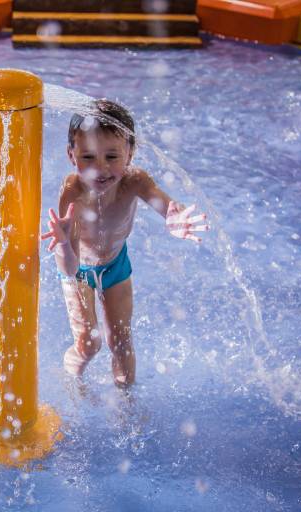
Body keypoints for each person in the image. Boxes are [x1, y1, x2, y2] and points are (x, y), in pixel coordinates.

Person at [40, 99, 209, 388]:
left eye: (112, 156)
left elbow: (165, 205)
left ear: (130, 153)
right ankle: (73, 382)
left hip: (115, 264)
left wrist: (173, 217)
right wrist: (64, 245)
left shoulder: (135, 180)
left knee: (120, 340)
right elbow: (68, 270)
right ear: (72, 155)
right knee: (88, 344)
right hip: (78, 268)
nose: (100, 169)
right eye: (88, 157)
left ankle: (126, 404)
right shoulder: (73, 193)